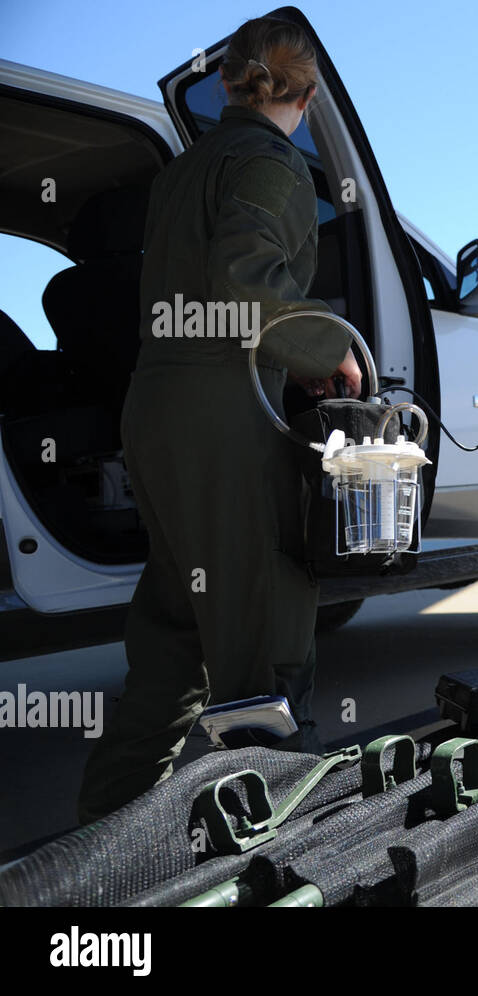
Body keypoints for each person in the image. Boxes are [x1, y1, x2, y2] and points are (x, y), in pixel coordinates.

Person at [77, 17, 361, 824]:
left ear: (230, 83)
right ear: (305, 98)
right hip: (226, 419)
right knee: (264, 654)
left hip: (159, 412)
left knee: (171, 648)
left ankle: (98, 851)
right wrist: (327, 346)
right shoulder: (270, 162)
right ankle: (274, 853)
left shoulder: (182, 169)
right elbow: (245, 282)